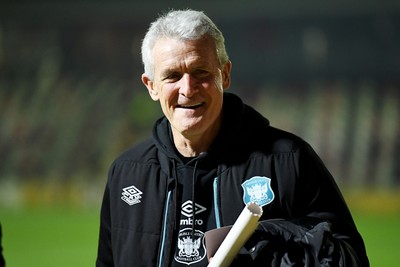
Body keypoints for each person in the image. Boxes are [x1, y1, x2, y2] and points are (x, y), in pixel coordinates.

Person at [96, 9, 369, 267]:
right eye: (172, 76)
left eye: (201, 72)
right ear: (152, 86)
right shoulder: (127, 172)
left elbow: (350, 258)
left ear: (224, 75)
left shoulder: (289, 161)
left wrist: (266, 242)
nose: (187, 89)